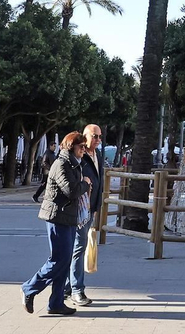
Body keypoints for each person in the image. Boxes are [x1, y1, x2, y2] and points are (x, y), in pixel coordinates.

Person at [22, 131, 86, 316]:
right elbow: (71, 191)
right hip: (57, 217)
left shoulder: (74, 163)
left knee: (64, 261)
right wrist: (86, 184)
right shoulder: (62, 163)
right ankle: (29, 287)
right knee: (58, 260)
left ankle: (56, 302)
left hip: (69, 217)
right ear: (71, 146)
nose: (83, 150)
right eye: (80, 146)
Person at [66, 124, 105, 308]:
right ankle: (76, 290)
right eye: (94, 136)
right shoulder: (79, 156)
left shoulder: (98, 155)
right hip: (79, 209)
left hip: (90, 209)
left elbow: (99, 182)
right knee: (79, 248)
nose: (97, 140)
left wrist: (97, 206)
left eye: (99, 136)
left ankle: (67, 287)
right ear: (85, 136)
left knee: (77, 247)